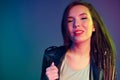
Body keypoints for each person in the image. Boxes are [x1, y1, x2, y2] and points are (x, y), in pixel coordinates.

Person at [41, 1, 116, 80]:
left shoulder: (104, 60)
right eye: (70, 20)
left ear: (94, 26)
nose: (76, 24)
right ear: (66, 28)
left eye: (83, 18)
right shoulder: (51, 56)